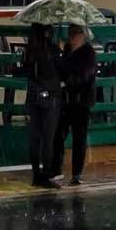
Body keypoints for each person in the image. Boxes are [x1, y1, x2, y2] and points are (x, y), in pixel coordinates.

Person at [20, 25, 64, 189]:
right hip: (50, 95)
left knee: (35, 136)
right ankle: (46, 172)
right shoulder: (50, 50)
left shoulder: (29, 51)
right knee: (48, 136)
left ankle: (36, 174)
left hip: (34, 95)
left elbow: (24, 71)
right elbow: (61, 68)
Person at [55, 23, 97, 185]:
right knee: (59, 133)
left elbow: (86, 77)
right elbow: (62, 68)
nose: (72, 38)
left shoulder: (89, 53)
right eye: (70, 34)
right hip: (66, 100)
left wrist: (68, 83)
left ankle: (76, 173)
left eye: (75, 34)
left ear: (82, 36)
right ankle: (56, 168)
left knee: (79, 137)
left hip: (81, 100)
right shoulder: (66, 50)